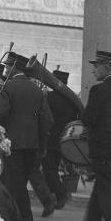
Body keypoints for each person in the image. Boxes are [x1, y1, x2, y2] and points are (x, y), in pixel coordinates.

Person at [0, 53, 54, 221]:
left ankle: (24, 215)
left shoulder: (9, 87)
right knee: (24, 177)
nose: (5, 69)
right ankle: (24, 212)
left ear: (15, 68)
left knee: (15, 180)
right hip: (32, 142)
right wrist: (41, 142)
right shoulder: (37, 89)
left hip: (13, 142)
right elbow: (46, 119)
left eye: (8, 66)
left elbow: (2, 113)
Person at [80, 50, 111, 221]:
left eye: (97, 66)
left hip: (104, 146)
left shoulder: (99, 90)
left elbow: (89, 118)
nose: (94, 70)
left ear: (108, 66)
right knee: (104, 183)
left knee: (107, 188)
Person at [41, 69, 80, 210]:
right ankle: (51, 196)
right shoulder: (72, 99)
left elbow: (45, 118)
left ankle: (61, 193)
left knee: (49, 169)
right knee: (52, 168)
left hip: (50, 139)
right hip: (63, 140)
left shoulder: (50, 97)